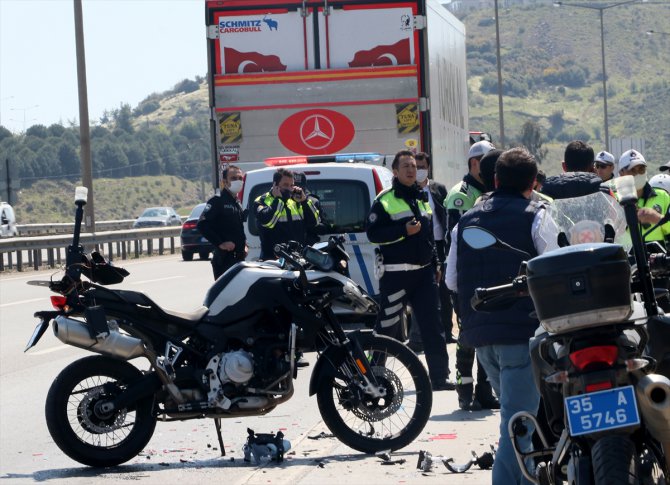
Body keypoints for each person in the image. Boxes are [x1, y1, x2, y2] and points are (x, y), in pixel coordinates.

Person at [446, 147, 558, 485]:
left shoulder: (466, 221)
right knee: (519, 424)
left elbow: (452, 279)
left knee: (516, 423)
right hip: (521, 334)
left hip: (481, 338)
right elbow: (555, 267)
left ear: (494, 179)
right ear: (533, 183)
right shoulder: (536, 214)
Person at [366, 150, 453, 391]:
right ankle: (372, 376)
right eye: (405, 166)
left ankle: (439, 377)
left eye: (413, 166)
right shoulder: (384, 199)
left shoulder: (422, 197)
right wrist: (403, 231)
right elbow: (373, 234)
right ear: (395, 171)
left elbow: (429, 235)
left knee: (433, 327)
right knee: (386, 327)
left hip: (424, 274)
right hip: (396, 275)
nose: (411, 170)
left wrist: (435, 263)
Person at [445, 140, 499, 411]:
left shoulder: (494, 191)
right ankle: (464, 389)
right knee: (467, 335)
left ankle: (485, 390)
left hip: (491, 272)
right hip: (467, 273)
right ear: (474, 163)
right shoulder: (460, 194)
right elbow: (454, 237)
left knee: (489, 334)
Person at [406, 151, 456, 353]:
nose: (418, 170)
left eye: (421, 166)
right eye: (414, 167)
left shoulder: (438, 189)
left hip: (440, 244)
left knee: (444, 289)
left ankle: (448, 330)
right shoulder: (408, 192)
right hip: (421, 244)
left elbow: (446, 215)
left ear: (428, 167)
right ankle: (418, 335)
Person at [253, 168, 320, 260]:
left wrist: (304, 201)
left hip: (297, 259)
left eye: (291, 185)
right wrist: (279, 200)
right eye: (285, 185)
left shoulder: (295, 201)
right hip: (272, 260)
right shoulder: (262, 200)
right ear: (275, 185)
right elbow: (269, 222)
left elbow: (315, 222)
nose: (289, 188)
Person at [197, 164, 248, 279]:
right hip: (225, 260)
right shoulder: (218, 200)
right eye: (234, 178)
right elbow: (202, 224)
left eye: (240, 178)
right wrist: (220, 243)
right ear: (225, 182)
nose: (238, 181)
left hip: (239, 258)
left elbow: (236, 228)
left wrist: (244, 244)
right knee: (227, 295)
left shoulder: (236, 201)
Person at [618, 149, 670, 247]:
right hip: (627, 255)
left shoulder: (662, 196)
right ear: (621, 173)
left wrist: (658, 219)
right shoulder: (613, 199)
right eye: (632, 170)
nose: (638, 173)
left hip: (656, 256)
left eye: (641, 169)